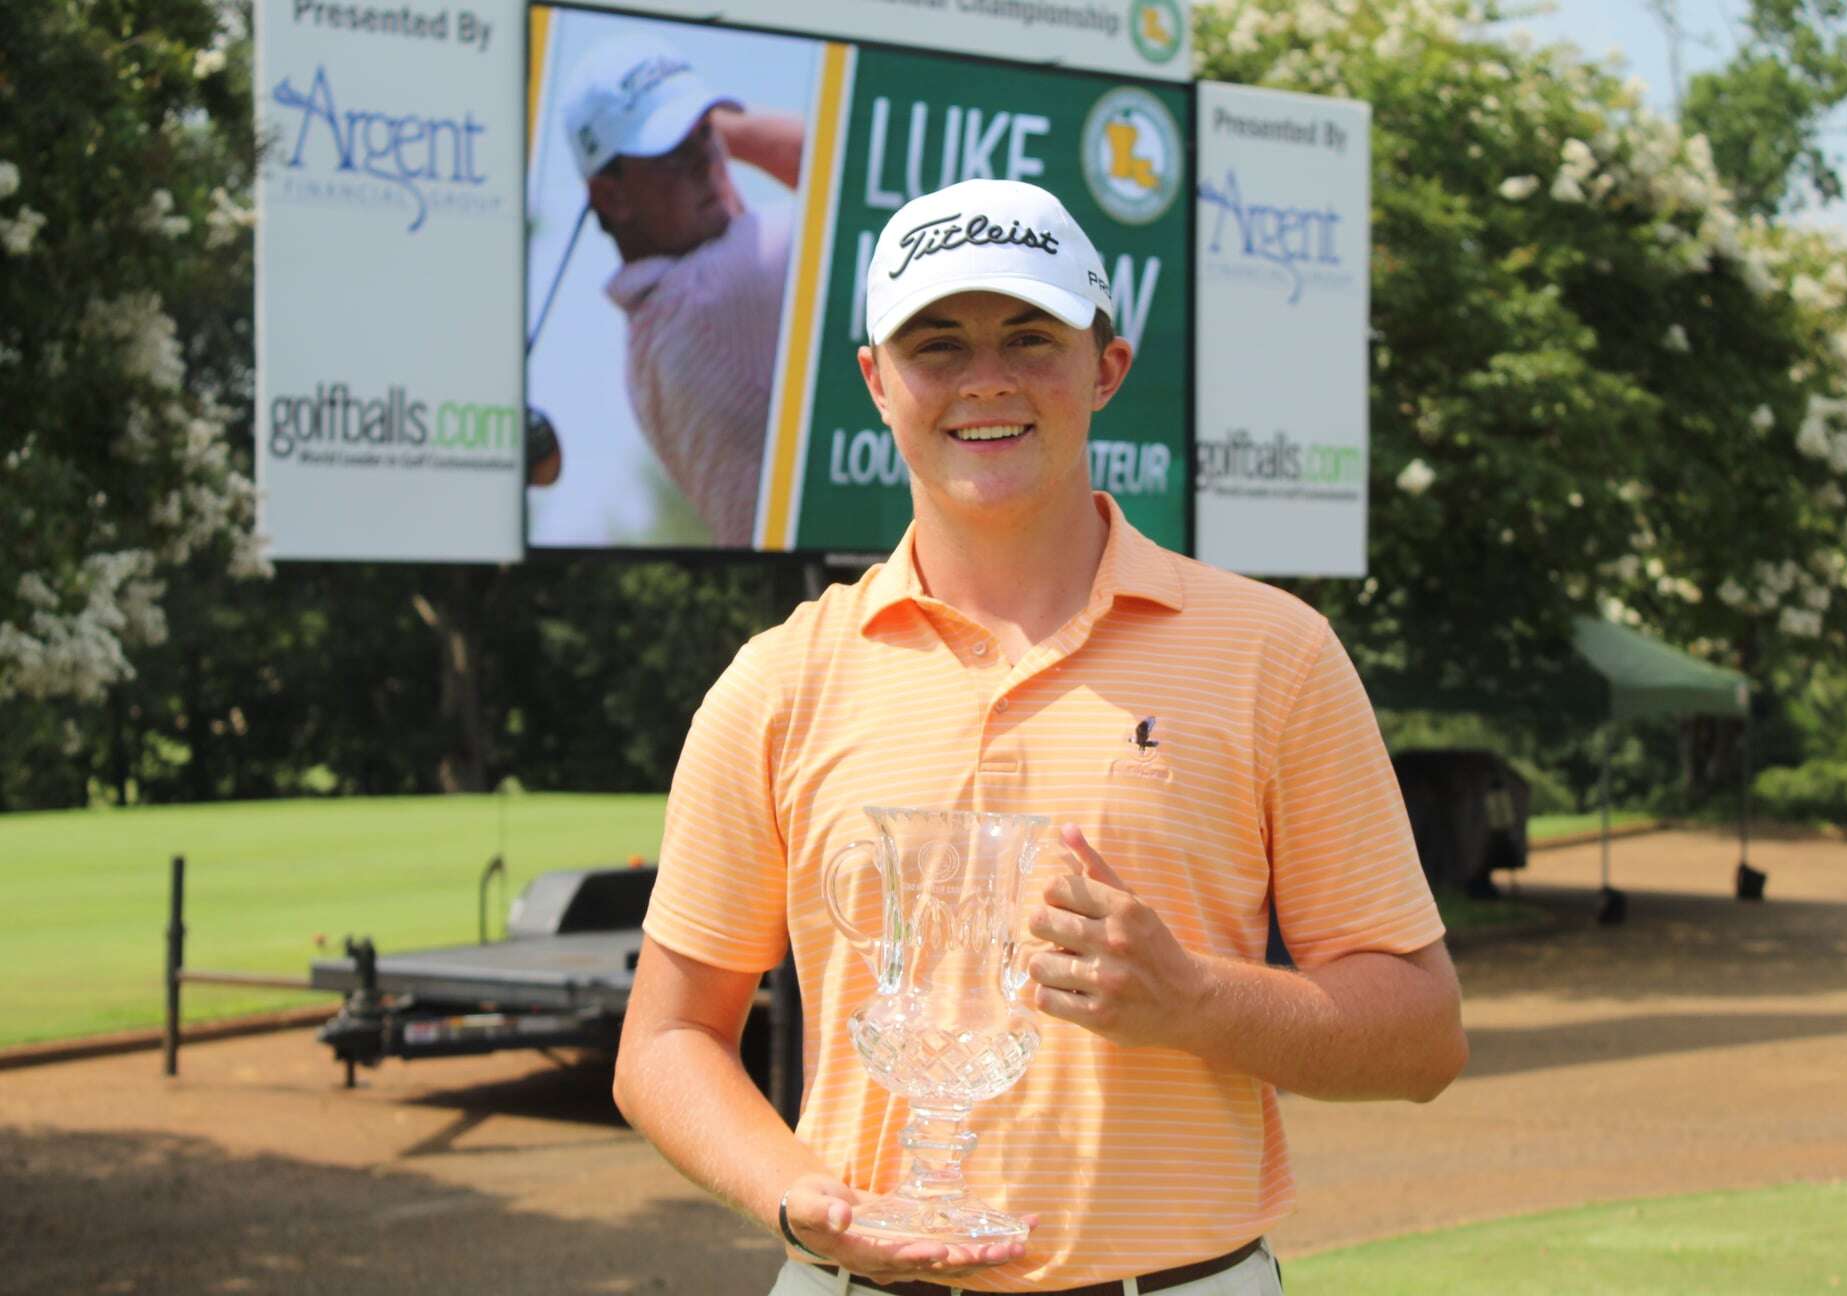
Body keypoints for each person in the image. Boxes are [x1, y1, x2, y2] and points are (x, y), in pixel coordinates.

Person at [613, 178, 1468, 1295]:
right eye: (937, 346)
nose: (987, 381)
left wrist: (1196, 1001)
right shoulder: (779, 681)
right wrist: (800, 1201)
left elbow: (1423, 1036)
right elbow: (666, 1043)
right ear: (876, 380)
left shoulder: (1276, 654)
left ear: (1105, 366)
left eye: (1030, 336)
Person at [560, 36, 805, 546]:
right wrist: (732, 131)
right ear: (611, 196)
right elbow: (865, 177)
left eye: (703, 135)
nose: (704, 161)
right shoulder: (720, 290)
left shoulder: (652, 333)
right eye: (670, 150)